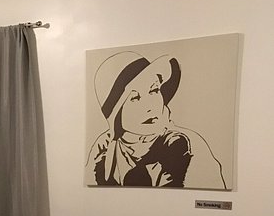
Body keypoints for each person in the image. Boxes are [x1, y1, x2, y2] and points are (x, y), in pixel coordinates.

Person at [86, 51, 226, 189]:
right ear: (116, 114)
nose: (150, 106)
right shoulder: (103, 152)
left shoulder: (188, 145)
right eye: (135, 98)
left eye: (154, 90)